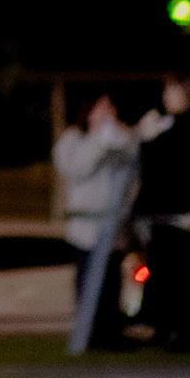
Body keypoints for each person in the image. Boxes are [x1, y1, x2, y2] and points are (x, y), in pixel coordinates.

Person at [55, 89, 140, 355]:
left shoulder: (118, 139)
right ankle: (90, 335)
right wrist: (98, 141)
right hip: (86, 228)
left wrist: (124, 139)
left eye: (111, 108)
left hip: (112, 226)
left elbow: (131, 171)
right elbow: (76, 169)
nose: (108, 115)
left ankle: (111, 333)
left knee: (112, 284)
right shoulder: (73, 140)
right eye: (101, 109)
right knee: (90, 285)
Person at [134, 67, 190, 353]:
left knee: (179, 274)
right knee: (162, 272)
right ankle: (166, 327)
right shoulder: (162, 126)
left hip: (181, 213)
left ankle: (185, 331)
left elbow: (186, 169)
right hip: (160, 214)